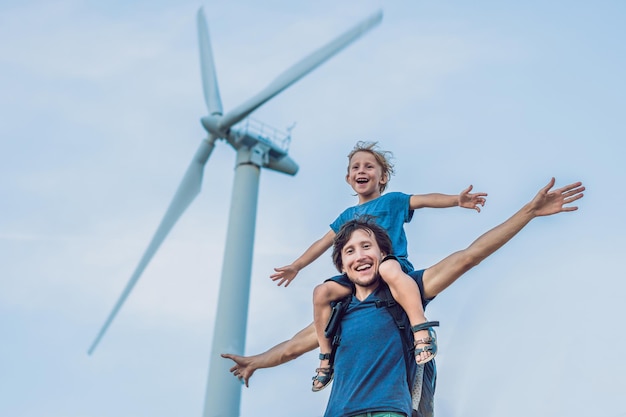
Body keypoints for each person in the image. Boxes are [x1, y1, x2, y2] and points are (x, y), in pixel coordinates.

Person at [222, 177, 585, 416]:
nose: (359, 254)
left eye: (367, 247)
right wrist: (255, 361)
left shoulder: (405, 290)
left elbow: (469, 255)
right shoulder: (338, 312)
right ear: (341, 264)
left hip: (389, 410)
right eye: (349, 251)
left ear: (383, 255)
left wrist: (528, 212)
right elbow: (289, 347)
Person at [269, 141, 487, 390]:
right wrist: (297, 266)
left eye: (369, 166)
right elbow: (322, 242)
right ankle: (326, 357)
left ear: (382, 177)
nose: (361, 170)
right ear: (348, 177)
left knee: (386, 268)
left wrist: (456, 200)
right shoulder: (346, 216)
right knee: (321, 292)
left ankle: (420, 329)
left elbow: (425, 200)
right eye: (356, 167)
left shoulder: (392, 201)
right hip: (359, 276)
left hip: (392, 266)